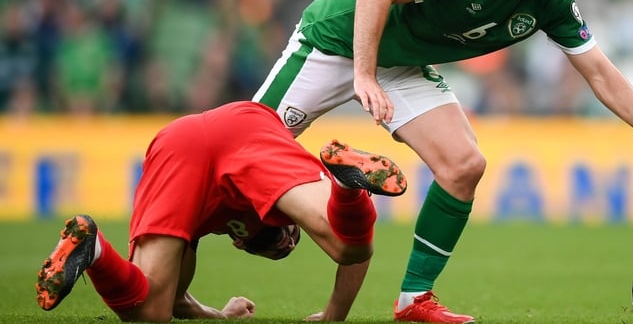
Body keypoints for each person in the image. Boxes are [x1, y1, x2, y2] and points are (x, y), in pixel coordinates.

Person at [252, 0, 633, 323]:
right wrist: (364, 75)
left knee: (464, 164)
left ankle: (414, 298)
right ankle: (183, 288)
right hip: (335, 43)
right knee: (242, 153)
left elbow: (598, 70)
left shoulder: (550, 3)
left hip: (403, 63)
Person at [35, 100, 407, 322]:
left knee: (150, 312)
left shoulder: (201, 215)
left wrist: (220, 315)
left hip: (182, 139)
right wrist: (333, 315)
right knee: (349, 245)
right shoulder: (276, 203)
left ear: (239, 241)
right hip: (245, 130)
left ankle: (94, 248)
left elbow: (175, 301)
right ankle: (344, 187)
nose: (292, 236)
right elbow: (355, 253)